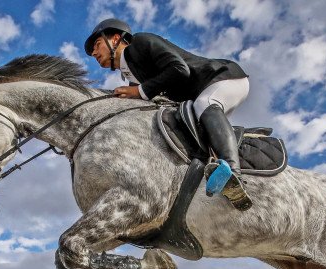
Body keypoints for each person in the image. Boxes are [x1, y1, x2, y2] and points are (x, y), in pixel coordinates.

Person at [84, 18, 252, 211]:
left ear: (115, 39)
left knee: (205, 104)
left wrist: (139, 91)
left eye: (97, 45)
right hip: (198, 98)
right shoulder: (132, 74)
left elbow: (180, 70)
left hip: (223, 78)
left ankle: (233, 173)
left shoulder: (140, 43)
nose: (94, 53)